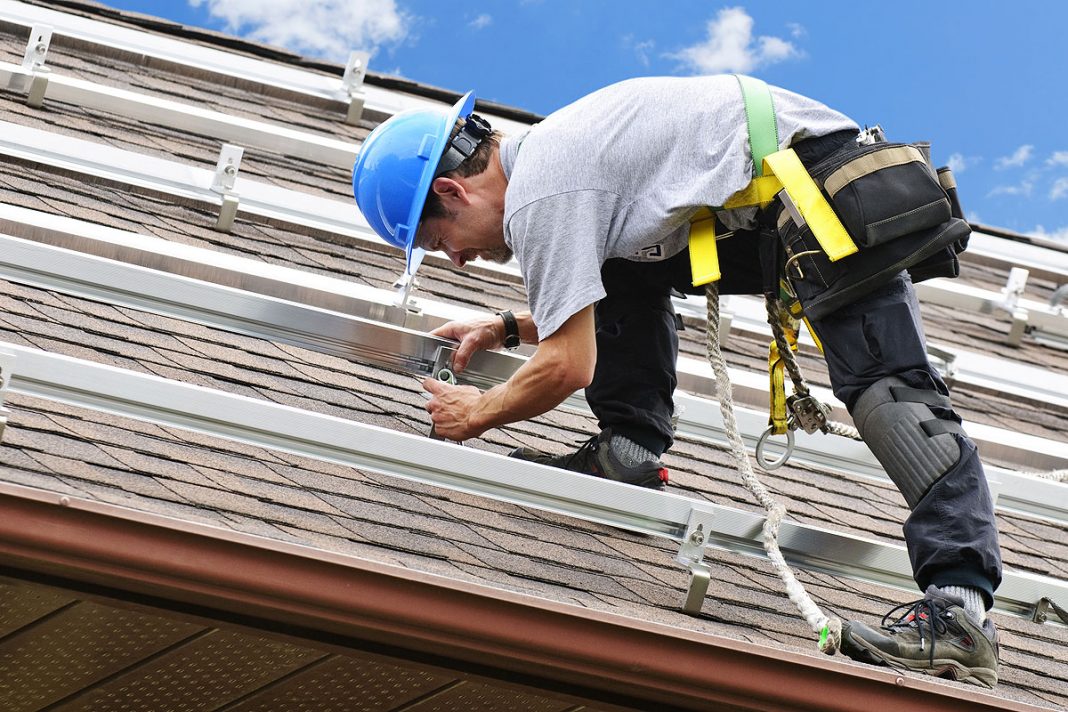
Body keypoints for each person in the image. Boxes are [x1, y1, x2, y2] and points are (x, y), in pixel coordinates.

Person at [351, 76, 1003, 687]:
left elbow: (568, 365)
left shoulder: (541, 193)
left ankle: (961, 614)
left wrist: (479, 413)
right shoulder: (556, 160)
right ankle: (627, 451)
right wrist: (507, 327)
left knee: (892, 400)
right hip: (778, 199)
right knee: (621, 264)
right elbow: (590, 292)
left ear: (452, 193)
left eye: (442, 245)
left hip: (822, 191)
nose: (460, 259)